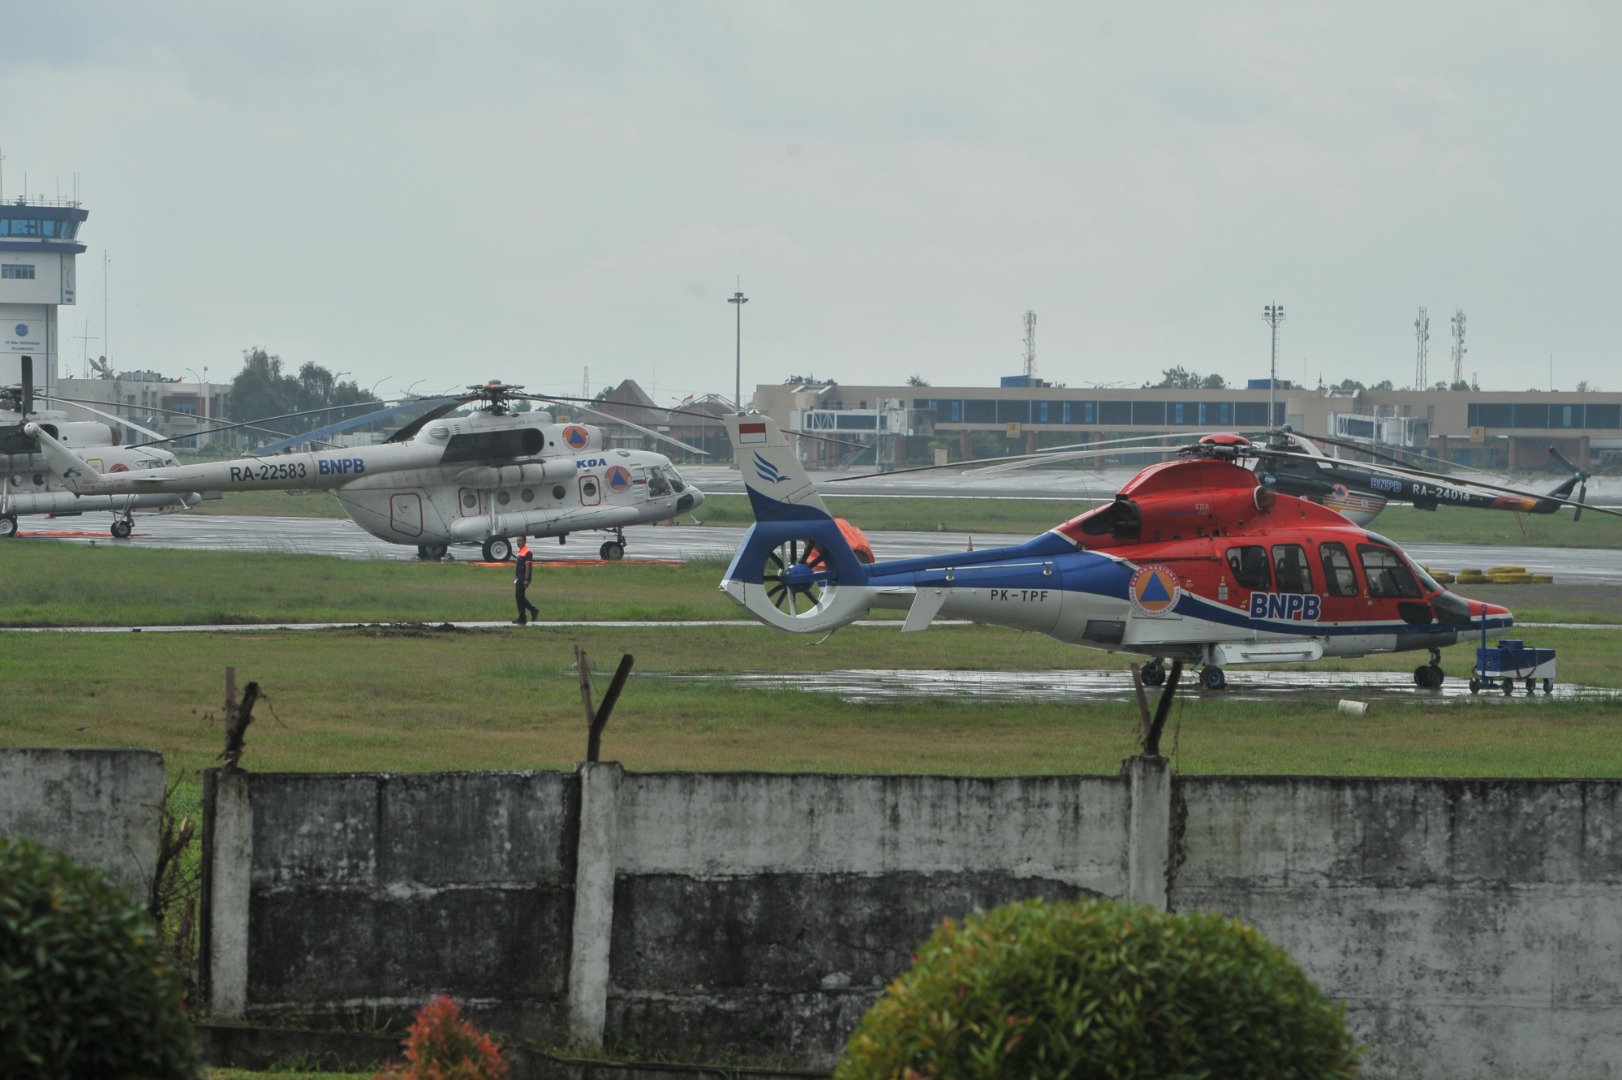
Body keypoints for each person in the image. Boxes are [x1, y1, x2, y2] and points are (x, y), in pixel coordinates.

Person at [513, 536, 539, 624]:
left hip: (524, 577)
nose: (518, 542)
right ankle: (522, 617)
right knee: (519, 596)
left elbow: (528, 566)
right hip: (518, 577)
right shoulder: (519, 551)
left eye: (520, 540)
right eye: (517, 541)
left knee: (519, 595)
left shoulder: (527, 552)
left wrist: (527, 579)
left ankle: (533, 610)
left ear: (525, 541)